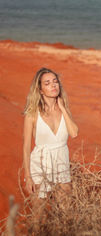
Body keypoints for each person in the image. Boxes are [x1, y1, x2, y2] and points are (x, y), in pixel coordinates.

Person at [23, 67, 78, 200]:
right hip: (40, 165)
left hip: (62, 165)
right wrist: (28, 177)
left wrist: (63, 108)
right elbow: (26, 147)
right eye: (47, 83)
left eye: (55, 81)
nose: (53, 85)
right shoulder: (32, 114)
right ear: (40, 90)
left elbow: (74, 133)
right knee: (38, 215)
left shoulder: (64, 110)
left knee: (66, 212)